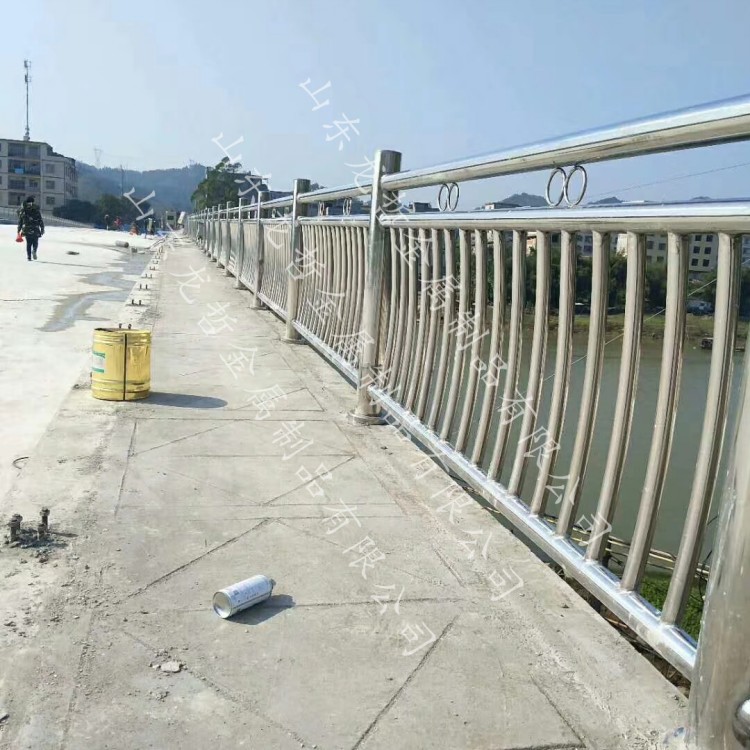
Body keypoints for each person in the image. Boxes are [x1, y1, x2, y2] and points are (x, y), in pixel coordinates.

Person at [16, 196, 45, 261]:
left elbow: (20, 221)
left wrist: (18, 230)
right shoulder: (36, 209)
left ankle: (29, 257)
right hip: (35, 228)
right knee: (35, 242)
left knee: (28, 243)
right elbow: (40, 220)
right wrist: (42, 228)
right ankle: (34, 250)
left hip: (26, 228)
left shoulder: (23, 210)